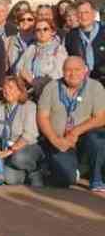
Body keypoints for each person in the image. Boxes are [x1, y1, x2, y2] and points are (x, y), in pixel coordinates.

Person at [37, 56, 105, 191]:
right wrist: (54, 139)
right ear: (62, 71)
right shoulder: (51, 87)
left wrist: (75, 131)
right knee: (65, 179)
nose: (72, 74)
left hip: (84, 139)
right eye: (68, 70)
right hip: (59, 141)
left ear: (85, 70)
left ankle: (96, 179)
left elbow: (101, 118)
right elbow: (42, 117)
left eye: (77, 69)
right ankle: (74, 170)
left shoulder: (95, 87)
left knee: (98, 139)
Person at [0, 76, 43, 186]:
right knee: (8, 178)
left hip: (27, 148)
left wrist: (9, 151)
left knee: (18, 158)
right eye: (4, 88)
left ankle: (36, 170)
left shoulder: (29, 106)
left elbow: (30, 135)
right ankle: (24, 175)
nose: (6, 91)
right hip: (5, 149)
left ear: (20, 91)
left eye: (10, 88)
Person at [18, 18, 67, 99]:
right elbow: (19, 68)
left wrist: (33, 81)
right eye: (38, 30)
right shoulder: (31, 48)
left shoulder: (59, 49)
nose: (42, 32)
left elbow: (58, 74)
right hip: (28, 92)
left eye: (45, 29)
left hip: (49, 93)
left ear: (52, 31)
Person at [65, 0, 105, 83]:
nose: (83, 16)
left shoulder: (103, 31)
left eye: (86, 12)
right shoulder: (71, 36)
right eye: (80, 13)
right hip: (82, 82)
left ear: (94, 14)